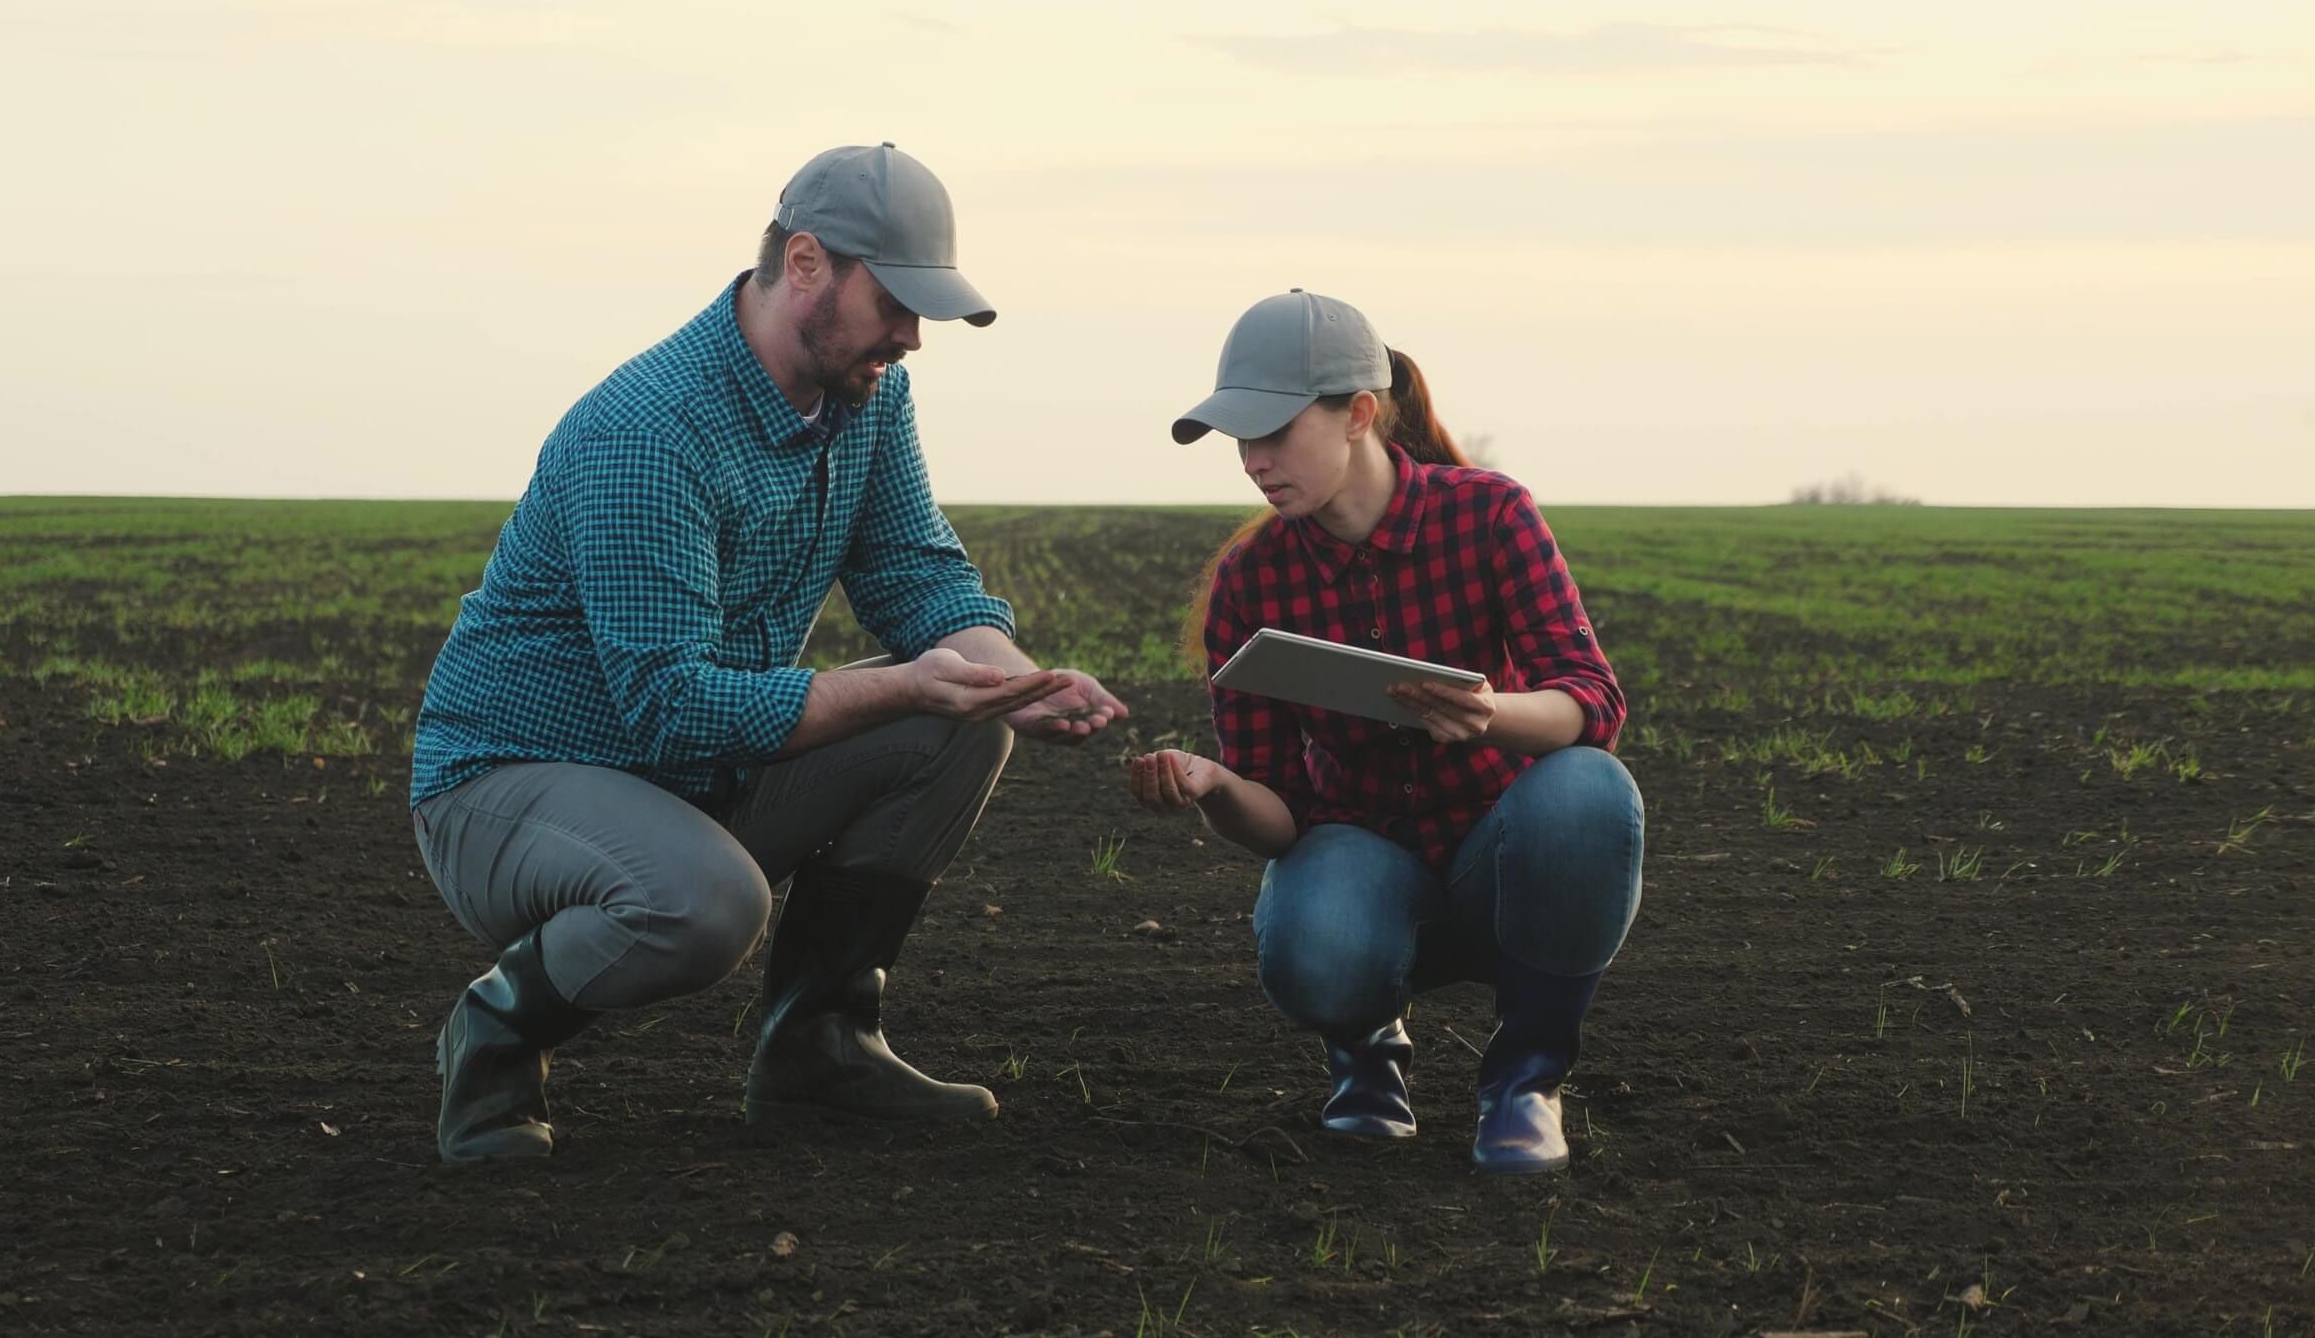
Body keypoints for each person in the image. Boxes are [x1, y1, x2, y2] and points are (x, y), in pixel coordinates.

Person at [410, 142, 1127, 1162]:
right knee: (704, 903)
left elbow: (914, 574)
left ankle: (820, 1048)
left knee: (958, 723)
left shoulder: (864, 397)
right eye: (895, 302)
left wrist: (1017, 685)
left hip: (689, 774)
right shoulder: (649, 432)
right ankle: (497, 1029)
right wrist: (895, 685)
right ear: (804, 265)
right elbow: (671, 707)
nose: (912, 338)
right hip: (513, 786)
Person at [1128, 290, 1641, 1175]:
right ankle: (1367, 1051)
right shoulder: (1252, 582)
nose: (1252, 462)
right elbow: (1280, 814)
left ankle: (1525, 1081)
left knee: (1591, 793)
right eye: (1239, 440)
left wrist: (1491, 713)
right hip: (1358, 852)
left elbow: (1591, 701)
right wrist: (1214, 788)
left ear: (1358, 413)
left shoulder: (1489, 515)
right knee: (1314, 939)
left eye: (1274, 434)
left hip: (1498, 849)